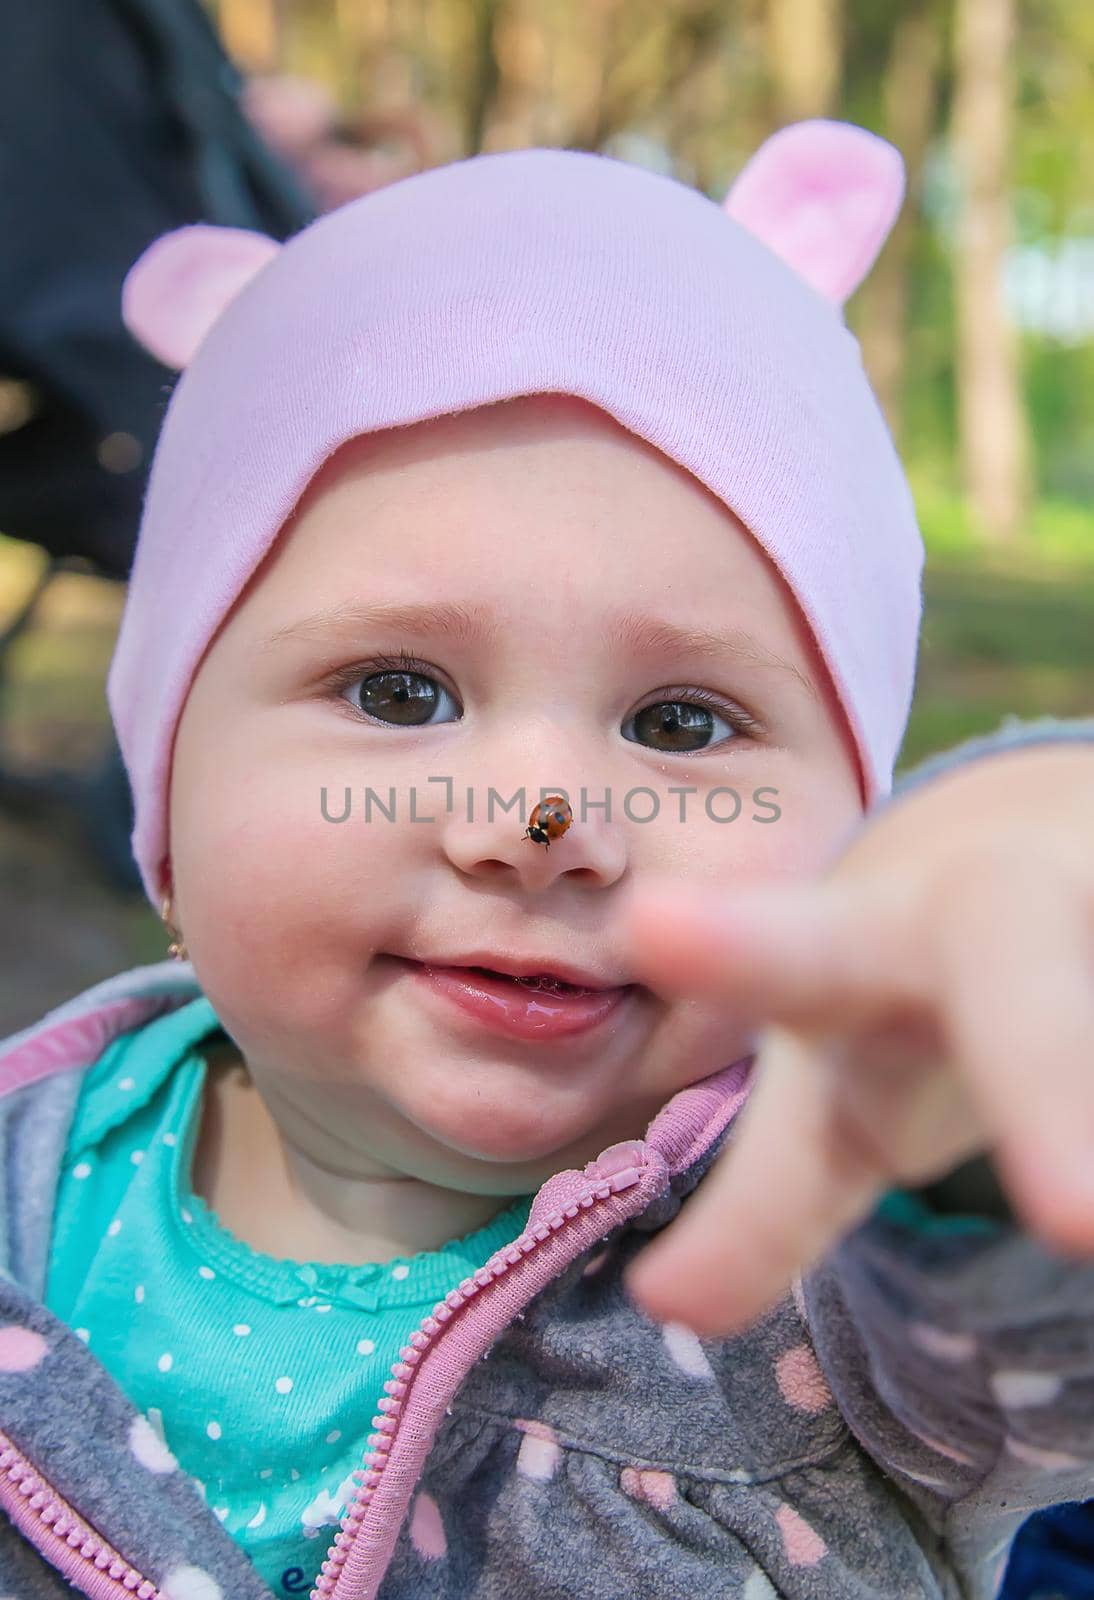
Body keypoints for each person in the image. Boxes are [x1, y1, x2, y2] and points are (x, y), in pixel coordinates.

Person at [0, 120, 1092, 1600]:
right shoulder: (28, 1172)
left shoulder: (835, 1259)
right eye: (398, 692)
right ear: (173, 787)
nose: (533, 829)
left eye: (681, 721)